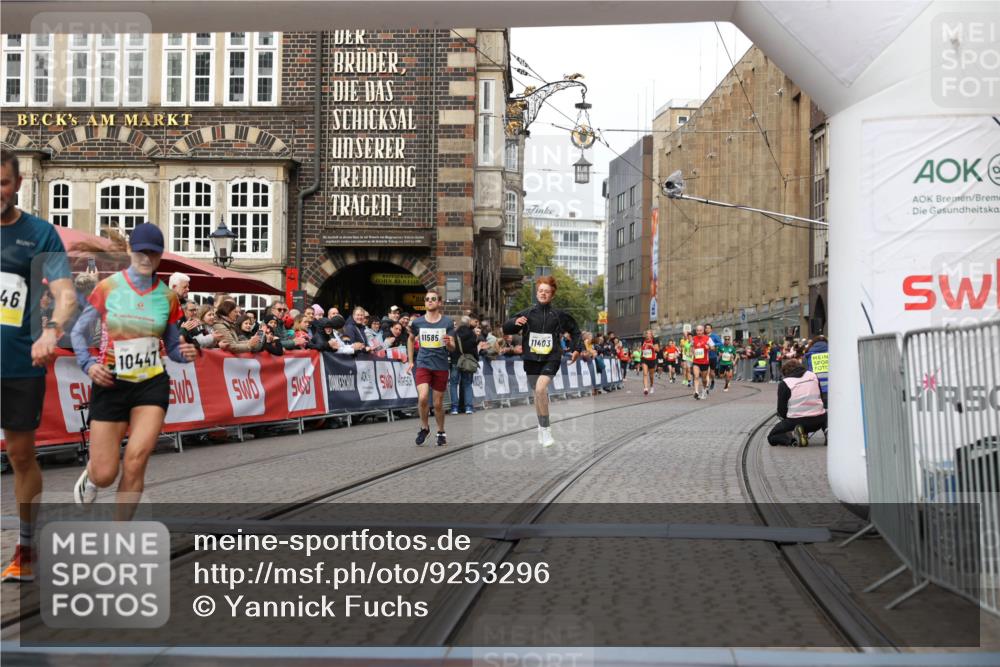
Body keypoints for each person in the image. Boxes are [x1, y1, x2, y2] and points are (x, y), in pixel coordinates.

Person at [70, 224, 198, 513]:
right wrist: (88, 364)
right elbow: (78, 332)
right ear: (129, 251)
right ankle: (92, 475)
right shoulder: (108, 287)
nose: (145, 258)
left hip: (151, 383)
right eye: (140, 252)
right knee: (105, 473)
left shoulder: (167, 297)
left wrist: (184, 353)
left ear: (159, 256)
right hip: (111, 381)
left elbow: (172, 346)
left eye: (152, 253)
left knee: (136, 460)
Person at [1, 149, 77, 582]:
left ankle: (25, 548)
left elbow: (65, 294)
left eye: (2, 183)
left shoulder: (38, 234)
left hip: (17, 362)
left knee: (21, 455)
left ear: (18, 185)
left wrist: (52, 332)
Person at [502, 276, 581, 447]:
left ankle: (546, 430)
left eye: (547, 291)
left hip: (551, 358)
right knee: (537, 394)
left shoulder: (559, 315)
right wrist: (514, 323)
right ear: (536, 293)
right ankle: (541, 425)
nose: (543, 294)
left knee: (540, 388)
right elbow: (506, 328)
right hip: (531, 359)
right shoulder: (527, 313)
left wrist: (576, 348)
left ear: (552, 295)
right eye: (540, 291)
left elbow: (575, 330)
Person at [406, 289, 455, 446]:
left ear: (439, 302)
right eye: (427, 299)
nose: (430, 301)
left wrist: (449, 344)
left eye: (433, 299)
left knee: (438, 403)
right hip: (423, 364)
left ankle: (441, 431)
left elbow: (453, 347)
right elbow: (410, 339)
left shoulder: (447, 322)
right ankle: (424, 427)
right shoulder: (418, 322)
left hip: (440, 366)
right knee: (423, 397)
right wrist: (411, 360)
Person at [767, 359, 828, 447]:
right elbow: (821, 398)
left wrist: (786, 420)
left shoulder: (785, 383)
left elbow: (781, 409)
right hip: (818, 420)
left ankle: (793, 440)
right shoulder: (813, 375)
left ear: (785, 372)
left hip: (796, 422)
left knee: (772, 436)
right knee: (827, 415)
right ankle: (828, 431)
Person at [449, 315, 479, 415]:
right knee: (467, 384)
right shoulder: (472, 334)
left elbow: (451, 348)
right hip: (467, 361)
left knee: (453, 384)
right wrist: (476, 359)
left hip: (455, 361)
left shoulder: (454, 333)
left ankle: (454, 408)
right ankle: (468, 407)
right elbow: (474, 350)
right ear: (468, 323)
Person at [802, 335, 830, 407]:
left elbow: (805, 373)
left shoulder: (807, 356)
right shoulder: (835, 354)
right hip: (832, 389)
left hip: (815, 389)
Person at [690, 324, 712, 400]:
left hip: (704, 362)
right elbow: (691, 347)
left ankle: (704, 390)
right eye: (697, 330)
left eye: (700, 330)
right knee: (696, 376)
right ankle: (696, 392)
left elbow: (713, 347)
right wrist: (692, 351)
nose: (699, 332)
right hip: (696, 361)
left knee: (704, 379)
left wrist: (708, 347)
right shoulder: (694, 339)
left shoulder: (707, 338)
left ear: (703, 331)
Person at [639, 330, 657, 396]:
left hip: (652, 359)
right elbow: (641, 349)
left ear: (651, 335)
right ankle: (646, 388)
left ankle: (651, 386)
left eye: (649, 333)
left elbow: (657, 349)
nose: (647, 335)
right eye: (646, 333)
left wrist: (651, 345)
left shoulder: (654, 340)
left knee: (651, 376)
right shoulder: (643, 341)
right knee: (645, 373)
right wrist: (640, 352)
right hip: (644, 359)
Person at [706, 324, 722, 391]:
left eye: (708, 328)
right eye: (706, 328)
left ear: (711, 329)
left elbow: (720, 343)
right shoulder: (703, 336)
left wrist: (713, 345)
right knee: (706, 372)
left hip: (713, 356)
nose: (707, 329)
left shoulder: (715, 336)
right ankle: (707, 385)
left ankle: (712, 381)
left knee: (712, 372)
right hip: (705, 357)